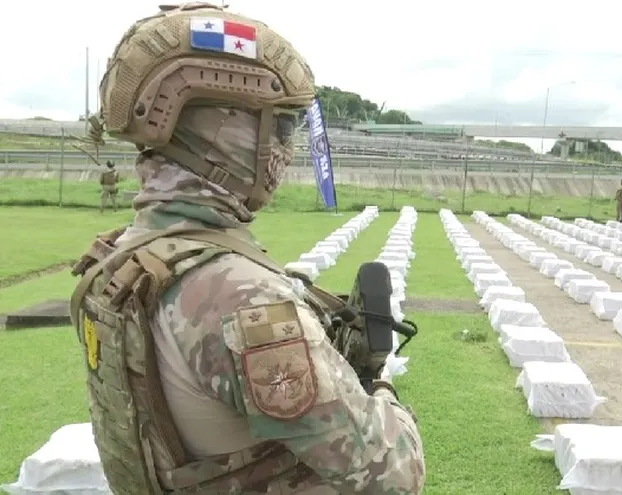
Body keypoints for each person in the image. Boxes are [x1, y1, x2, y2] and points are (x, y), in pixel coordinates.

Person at [68, 3, 425, 494]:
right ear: (219, 128)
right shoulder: (241, 296)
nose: (288, 149)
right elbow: (392, 475)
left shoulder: (122, 257)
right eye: (278, 127)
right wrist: (378, 388)